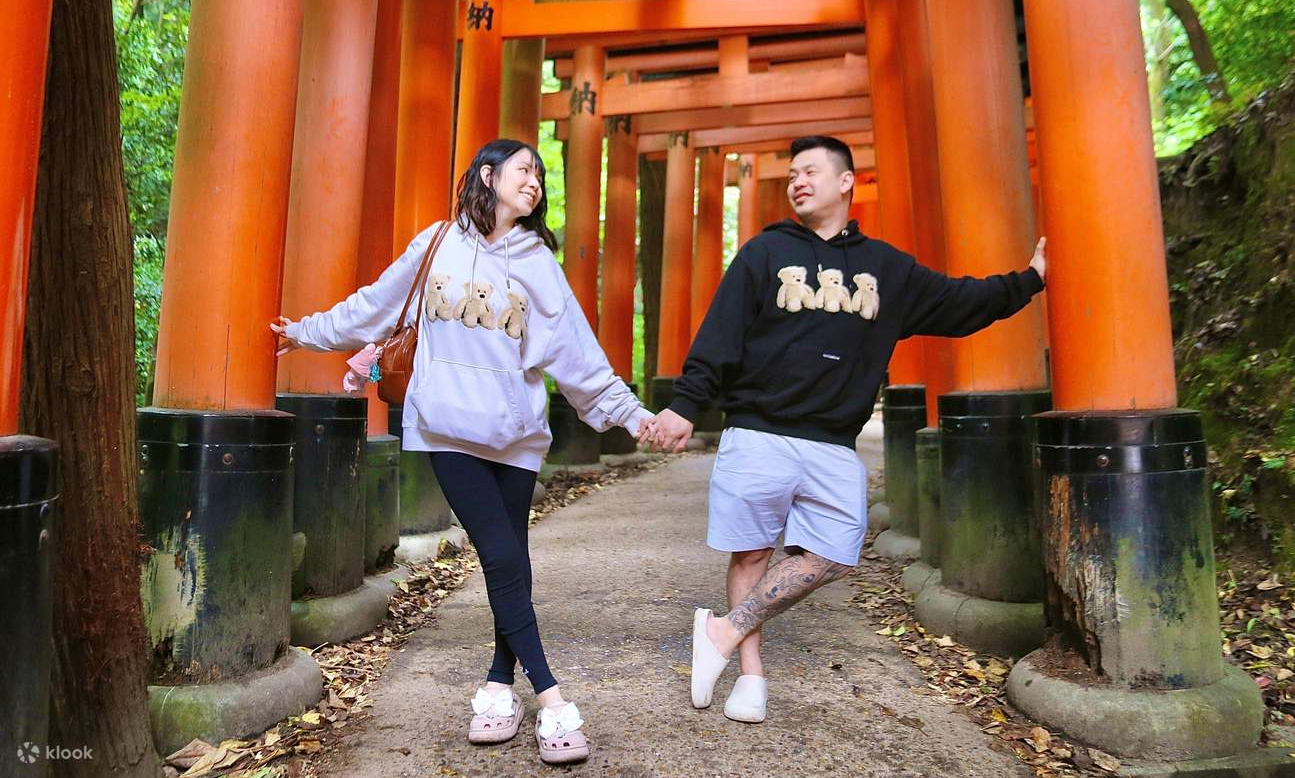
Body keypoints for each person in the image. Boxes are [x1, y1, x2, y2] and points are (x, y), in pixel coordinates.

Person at [272, 139, 654, 765]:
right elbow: (375, 305)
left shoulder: (537, 263)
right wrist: (305, 333)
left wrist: (630, 414)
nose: (534, 182)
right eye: (524, 170)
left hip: (516, 436)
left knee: (513, 562)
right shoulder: (437, 244)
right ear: (487, 175)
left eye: (539, 176)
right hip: (447, 430)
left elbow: (578, 357)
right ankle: (552, 698)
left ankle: (499, 688)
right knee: (500, 556)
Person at [645, 135, 1046, 723]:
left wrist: (1030, 279)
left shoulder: (886, 268)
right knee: (753, 552)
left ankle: (722, 632)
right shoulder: (763, 253)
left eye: (810, 171)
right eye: (791, 176)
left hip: (833, 440)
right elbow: (721, 333)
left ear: (845, 181)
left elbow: (961, 302)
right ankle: (751, 678)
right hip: (759, 429)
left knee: (834, 552)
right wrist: (686, 403)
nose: (797, 182)